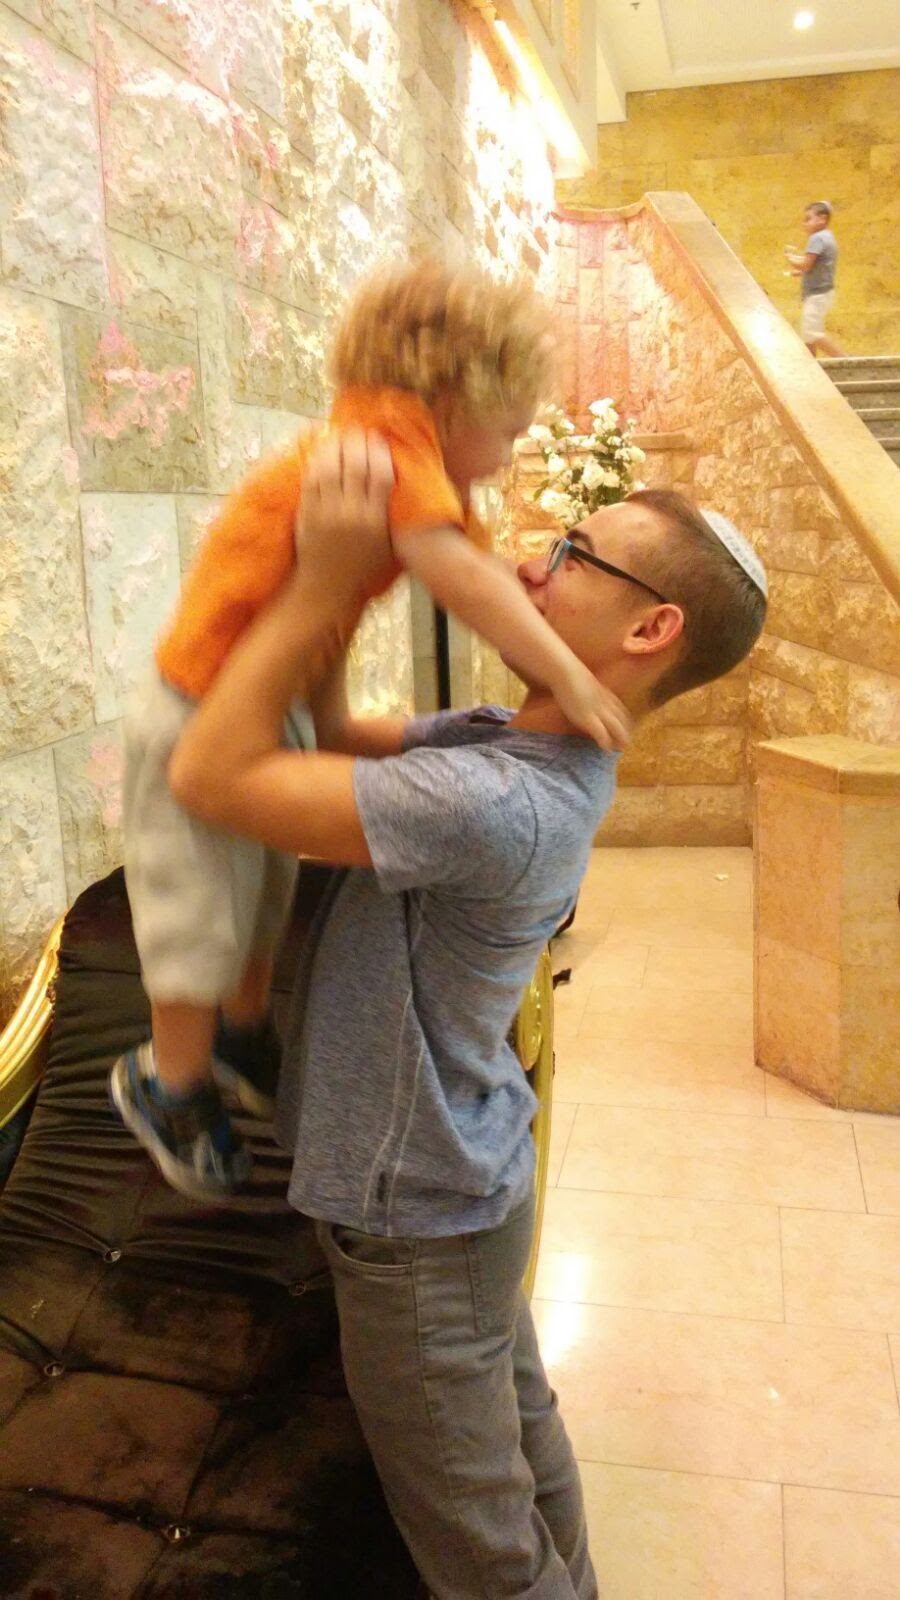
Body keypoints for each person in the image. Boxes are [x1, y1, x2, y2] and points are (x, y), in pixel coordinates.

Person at [166, 430, 769, 1599]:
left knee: (480, 1552)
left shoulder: (493, 801)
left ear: (651, 629)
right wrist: (338, 595)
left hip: (415, 1223)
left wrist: (323, 583)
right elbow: (340, 738)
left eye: (576, 555)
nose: (532, 567)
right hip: (467, 1182)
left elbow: (210, 775)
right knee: (519, 1449)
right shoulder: (513, 741)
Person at [110, 259, 631, 1201]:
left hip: (264, 701)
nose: (507, 456)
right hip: (196, 703)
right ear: (457, 394)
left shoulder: (408, 461)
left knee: (263, 892)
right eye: (509, 430)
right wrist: (567, 672)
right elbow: (457, 577)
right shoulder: (384, 442)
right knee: (198, 908)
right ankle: (170, 1083)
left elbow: (474, 568)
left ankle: (240, 1033)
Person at [786, 200, 844, 357]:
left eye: (808, 219)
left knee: (812, 333)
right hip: (822, 293)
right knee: (808, 336)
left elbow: (806, 264)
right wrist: (802, 272)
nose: (804, 223)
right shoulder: (828, 237)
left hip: (817, 294)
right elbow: (818, 265)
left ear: (822, 219)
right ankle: (812, 367)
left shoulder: (817, 238)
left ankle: (847, 362)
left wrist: (790, 258)